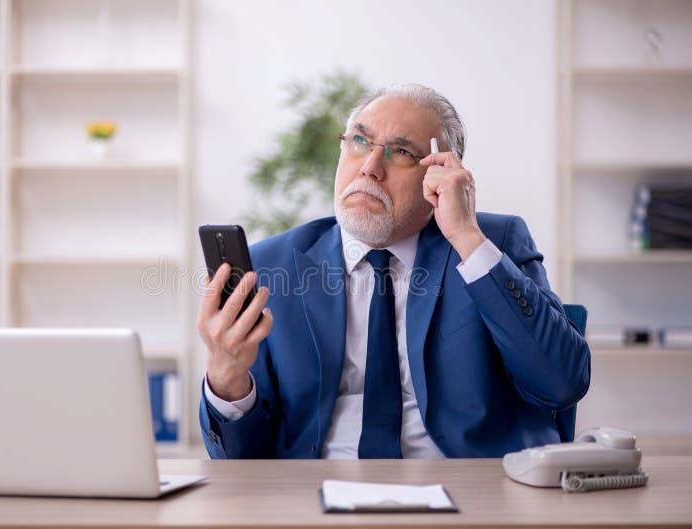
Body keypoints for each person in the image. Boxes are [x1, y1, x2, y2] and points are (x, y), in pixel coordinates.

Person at [197, 83, 590, 459]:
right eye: (359, 141)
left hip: (469, 492)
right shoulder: (271, 264)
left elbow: (562, 382)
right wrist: (226, 380)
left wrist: (467, 237)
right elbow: (237, 458)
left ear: (441, 173)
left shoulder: (491, 242)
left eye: (400, 151)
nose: (369, 167)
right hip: (315, 495)